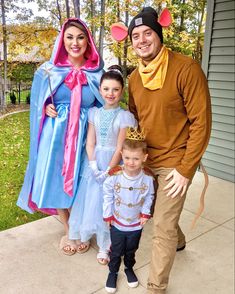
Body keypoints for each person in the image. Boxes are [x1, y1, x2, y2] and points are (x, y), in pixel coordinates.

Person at [110, 7, 212, 294]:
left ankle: (156, 288)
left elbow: (201, 123)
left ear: (159, 34)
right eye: (135, 36)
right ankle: (179, 240)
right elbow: (136, 123)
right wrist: (132, 161)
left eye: (147, 33)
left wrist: (185, 168)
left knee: (162, 227)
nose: (141, 40)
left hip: (176, 161)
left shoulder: (186, 69)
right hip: (147, 161)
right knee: (157, 212)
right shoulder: (133, 79)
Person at [17, 18, 104, 255]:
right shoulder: (48, 70)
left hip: (85, 136)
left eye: (80, 37)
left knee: (81, 182)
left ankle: (79, 226)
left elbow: (104, 103)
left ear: (88, 41)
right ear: (62, 40)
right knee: (56, 179)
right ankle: (69, 230)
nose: (75, 43)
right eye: (70, 37)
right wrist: (44, 107)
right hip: (55, 135)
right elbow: (36, 101)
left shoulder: (97, 72)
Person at [68, 65, 137, 261]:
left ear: (122, 91)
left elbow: (120, 148)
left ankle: (106, 245)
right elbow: (90, 142)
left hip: (113, 165)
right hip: (94, 162)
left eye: (115, 89)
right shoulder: (94, 113)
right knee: (92, 200)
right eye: (106, 89)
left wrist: (108, 171)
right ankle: (89, 234)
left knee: (109, 203)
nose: (111, 93)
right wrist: (92, 165)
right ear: (100, 90)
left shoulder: (124, 116)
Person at [103, 127, 155, 293]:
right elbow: (107, 195)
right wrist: (108, 214)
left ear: (144, 158)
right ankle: (113, 272)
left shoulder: (147, 178)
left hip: (135, 224)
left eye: (136, 159)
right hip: (118, 223)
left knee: (131, 249)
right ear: (121, 155)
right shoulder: (115, 175)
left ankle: (129, 268)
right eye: (126, 158)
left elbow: (149, 196)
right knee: (116, 250)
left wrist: (145, 213)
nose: (131, 162)